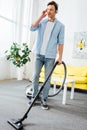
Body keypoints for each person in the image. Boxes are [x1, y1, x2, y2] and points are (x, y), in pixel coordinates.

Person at [30, 1, 65, 110]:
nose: (49, 11)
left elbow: (61, 42)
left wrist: (60, 57)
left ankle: (44, 99)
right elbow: (32, 28)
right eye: (48, 9)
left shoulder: (60, 26)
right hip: (39, 54)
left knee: (47, 79)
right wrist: (41, 16)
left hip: (50, 56)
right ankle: (34, 96)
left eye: (51, 9)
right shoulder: (42, 22)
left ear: (56, 11)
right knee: (35, 76)